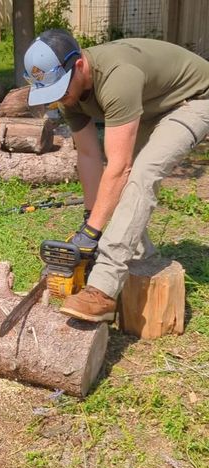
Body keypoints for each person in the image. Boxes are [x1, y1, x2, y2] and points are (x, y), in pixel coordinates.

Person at [23, 29, 209, 322]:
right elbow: (88, 156)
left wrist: (93, 234)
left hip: (194, 100)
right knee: (117, 178)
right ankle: (141, 259)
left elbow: (120, 167)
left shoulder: (117, 77)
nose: (60, 99)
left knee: (142, 170)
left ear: (80, 66)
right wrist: (90, 220)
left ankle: (103, 290)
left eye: (60, 89)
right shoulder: (71, 94)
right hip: (153, 105)